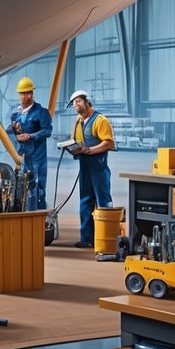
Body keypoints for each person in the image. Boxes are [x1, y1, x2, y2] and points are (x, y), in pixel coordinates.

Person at [67, 90, 115, 248]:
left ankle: (107, 238)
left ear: (87, 102)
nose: (75, 105)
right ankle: (87, 238)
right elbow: (76, 140)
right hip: (85, 165)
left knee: (103, 201)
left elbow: (108, 143)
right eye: (74, 103)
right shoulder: (78, 121)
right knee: (85, 200)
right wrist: (73, 148)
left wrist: (90, 150)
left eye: (78, 101)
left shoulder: (100, 120)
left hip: (98, 167)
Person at [9, 76, 52, 210]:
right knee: (23, 187)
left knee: (37, 187)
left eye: (27, 93)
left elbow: (47, 131)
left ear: (32, 93)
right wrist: (14, 129)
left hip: (37, 157)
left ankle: (39, 216)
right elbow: (10, 132)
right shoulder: (15, 113)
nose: (24, 96)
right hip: (23, 157)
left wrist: (30, 136)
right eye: (22, 93)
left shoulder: (41, 112)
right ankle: (26, 215)